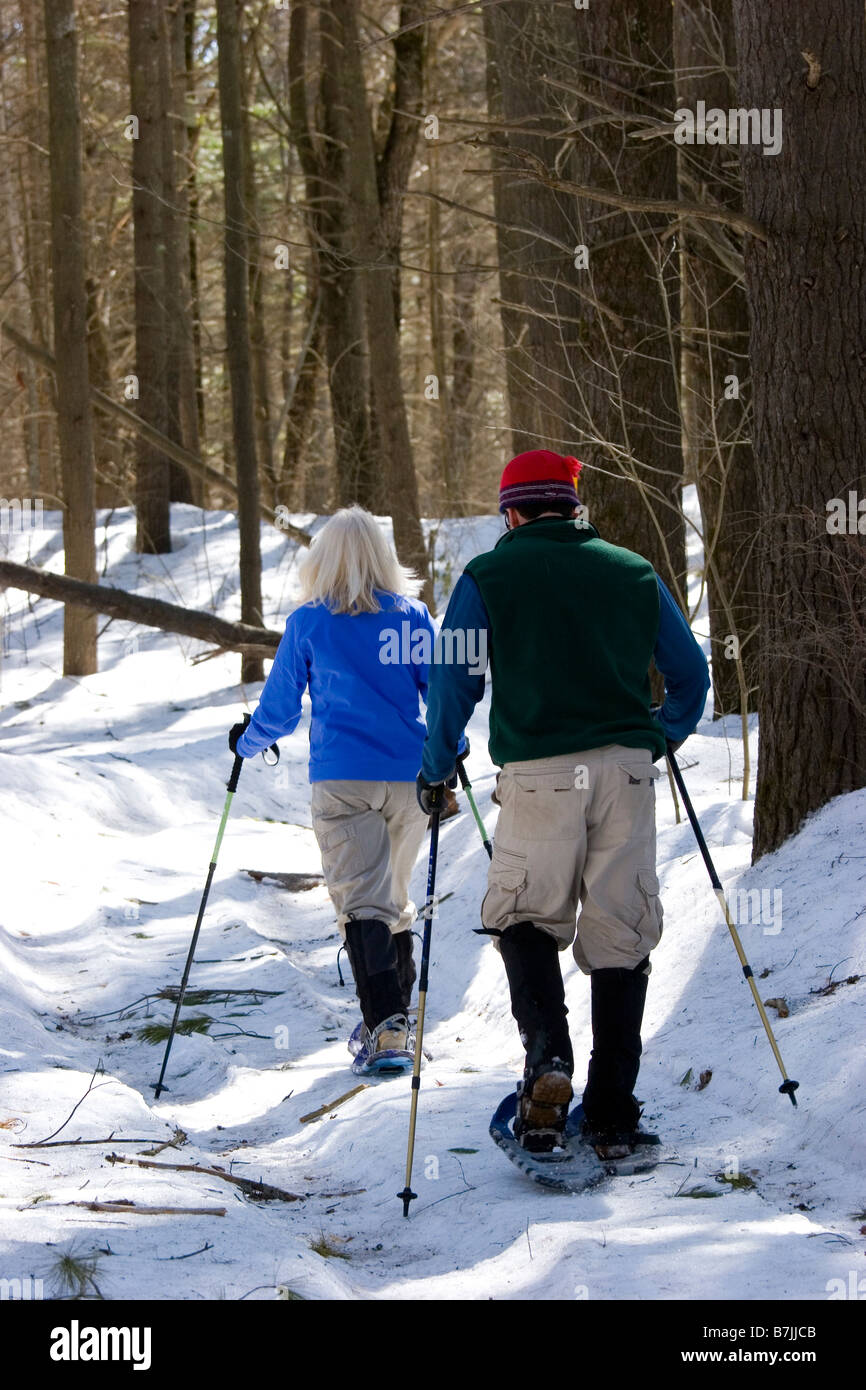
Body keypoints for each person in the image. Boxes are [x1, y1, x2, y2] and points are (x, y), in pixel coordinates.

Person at [417, 450, 710, 1157]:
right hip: (626, 775)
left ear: (510, 514)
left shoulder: (489, 574)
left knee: (523, 913)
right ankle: (612, 1111)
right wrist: (655, 740)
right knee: (621, 932)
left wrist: (437, 766)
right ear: (573, 508)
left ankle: (547, 1066)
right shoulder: (634, 571)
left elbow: (453, 679)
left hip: (540, 775)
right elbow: (691, 674)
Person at [229, 506, 435, 1076]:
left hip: (343, 779)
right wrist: (450, 749)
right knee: (393, 897)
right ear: (383, 557)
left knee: (362, 903)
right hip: (409, 777)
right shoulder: (411, 618)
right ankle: (396, 1022)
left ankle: (387, 1031)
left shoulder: (310, 623)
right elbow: (440, 692)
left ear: (321, 560)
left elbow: (279, 709)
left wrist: (247, 744)